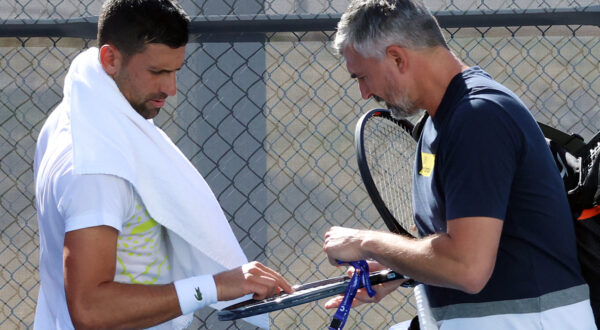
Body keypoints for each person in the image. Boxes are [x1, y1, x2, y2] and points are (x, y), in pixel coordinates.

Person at [322, 0, 596, 329]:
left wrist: (366, 242)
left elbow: (467, 267)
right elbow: (461, 247)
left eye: (362, 76)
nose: (364, 92)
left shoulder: (477, 117)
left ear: (397, 57)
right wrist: (398, 266)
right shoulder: (443, 120)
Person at [33, 0, 292, 329]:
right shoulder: (96, 166)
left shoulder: (74, 118)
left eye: (175, 71)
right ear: (110, 59)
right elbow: (90, 310)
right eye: (157, 72)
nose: (170, 89)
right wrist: (214, 287)